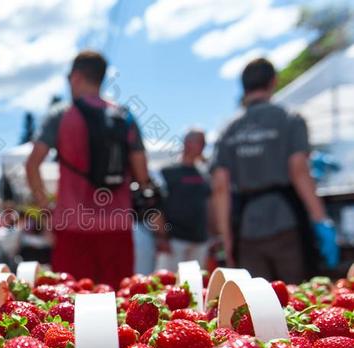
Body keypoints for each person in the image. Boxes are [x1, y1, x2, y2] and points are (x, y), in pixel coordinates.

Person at [26, 50, 157, 287]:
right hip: (117, 227)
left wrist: (46, 208)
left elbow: (32, 164)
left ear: (75, 77)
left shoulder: (61, 115)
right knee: (117, 301)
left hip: (72, 227)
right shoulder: (125, 116)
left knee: (69, 306)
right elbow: (142, 174)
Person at [211, 58, 338, 283]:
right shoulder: (289, 119)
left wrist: (226, 239)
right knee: (297, 298)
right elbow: (299, 170)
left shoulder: (228, 131)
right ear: (273, 82)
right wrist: (321, 220)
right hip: (286, 222)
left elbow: (220, 187)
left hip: (247, 230)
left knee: (257, 306)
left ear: (244, 86)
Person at [160, 129, 211, 270]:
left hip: (200, 240)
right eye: (201, 142)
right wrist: (162, 236)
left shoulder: (204, 173)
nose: (204, 146)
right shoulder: (168, 172)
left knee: (197, 285)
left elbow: (210, 203)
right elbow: (157, 206)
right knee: (171, 284)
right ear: (188, 143)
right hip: (175, 240)